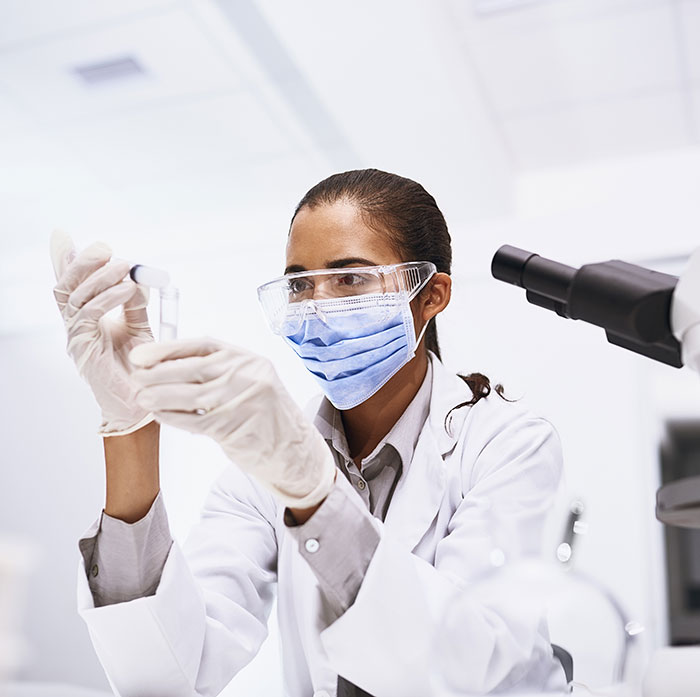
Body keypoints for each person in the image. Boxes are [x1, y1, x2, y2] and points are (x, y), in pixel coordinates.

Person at [51, 169, 566, 697]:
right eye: (299, 284)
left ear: (431, 295)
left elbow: (465, 661)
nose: (316, 308)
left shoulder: (507, 445)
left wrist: (315, 495)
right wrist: (131, 424)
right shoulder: (259, 473)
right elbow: (172, 674)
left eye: (350, 278)